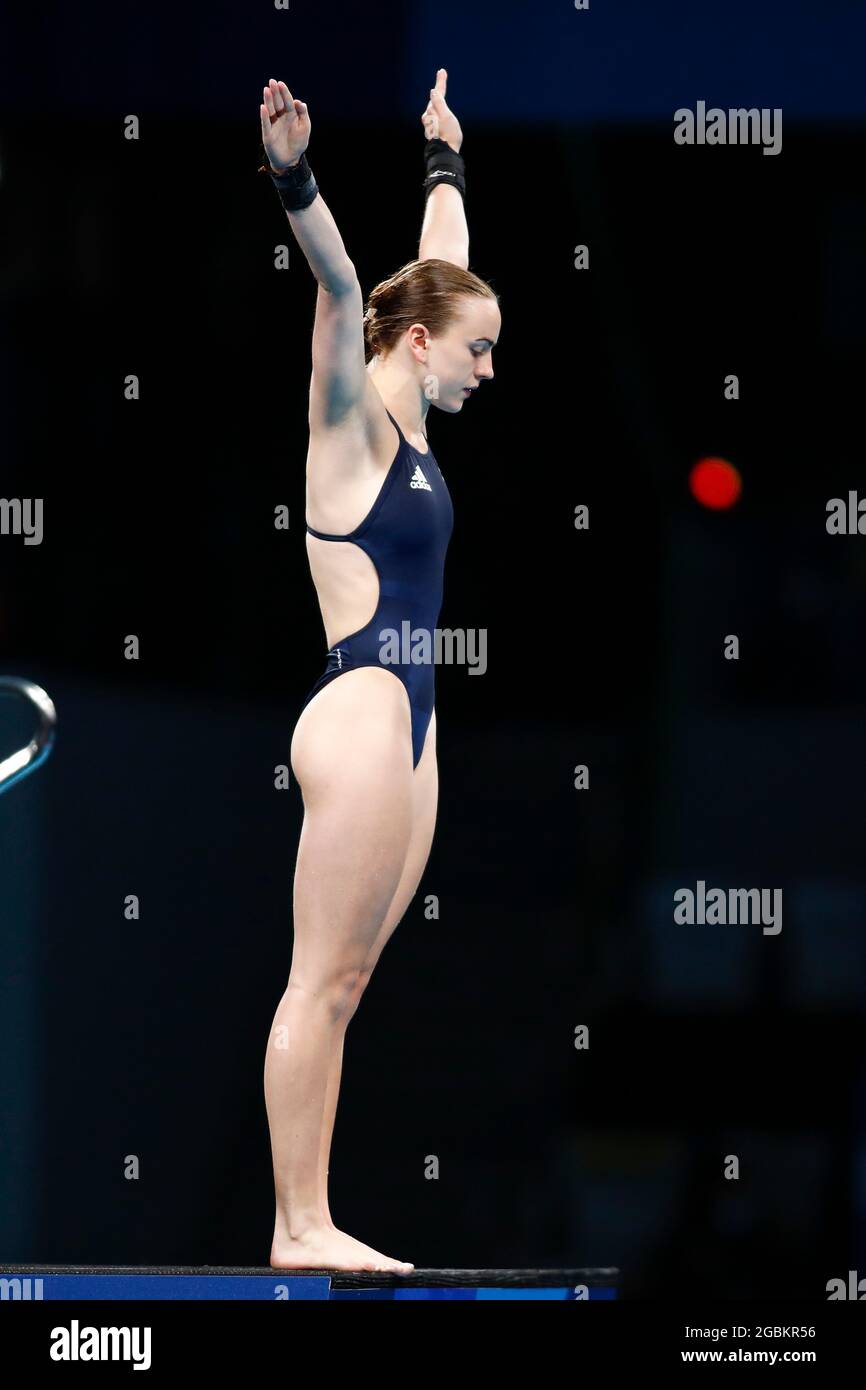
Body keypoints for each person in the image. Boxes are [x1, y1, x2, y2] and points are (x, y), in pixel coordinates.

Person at [259, 69, 500, 1273]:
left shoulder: (417, 421)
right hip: (358, 704)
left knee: (348, 980)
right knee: (318, 976)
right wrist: (295, 174)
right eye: (479, 353)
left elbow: (435, 270)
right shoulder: (350, 420)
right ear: (418, 346)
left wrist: (443, 161)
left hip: (414, 722)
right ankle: (296, 1225)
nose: (487, 369)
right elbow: (348, 283)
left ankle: (316, 1216)